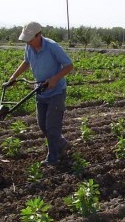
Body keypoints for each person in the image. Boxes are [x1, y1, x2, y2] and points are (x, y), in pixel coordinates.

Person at [5, 22, 74, 166]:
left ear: (39, 35)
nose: (28, 42)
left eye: (30, 39)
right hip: (40, 91)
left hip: (56, 92)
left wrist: (55, 79)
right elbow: (26, 62)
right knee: (42, 124)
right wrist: (13, 78)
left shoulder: (52, 47)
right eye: (26, 39)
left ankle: (53, 157)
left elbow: (69, 65)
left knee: (52, 126)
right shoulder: (29, 46)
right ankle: (61, 143)